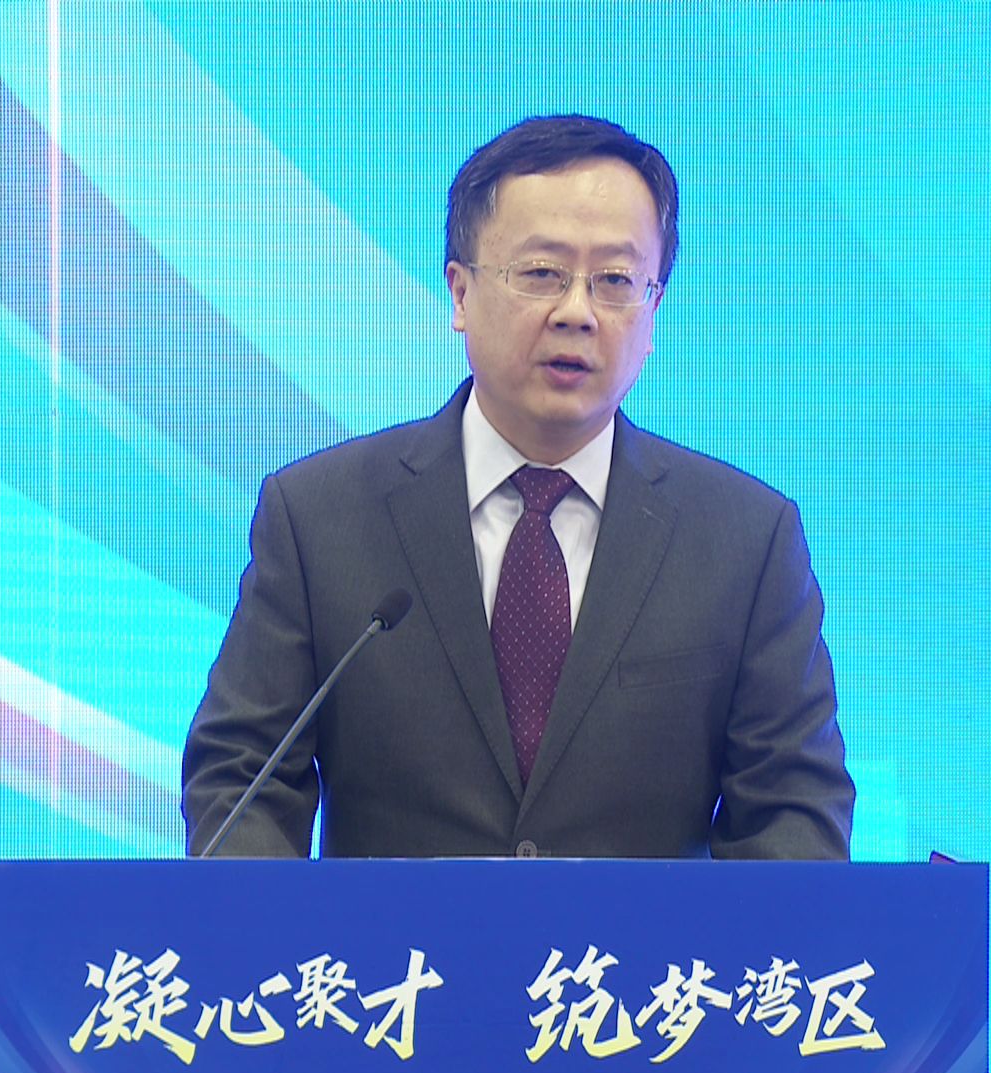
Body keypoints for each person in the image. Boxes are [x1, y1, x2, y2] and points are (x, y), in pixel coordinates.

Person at [181, 114, 853, 859]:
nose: (577, 312)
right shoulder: (320, 517)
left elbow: (794, 810)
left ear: (654, 310)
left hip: (634, 943)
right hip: (395, 941)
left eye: (616, 281)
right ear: (460, 292)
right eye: (541, 273)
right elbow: (239, 777)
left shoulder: (745, 540)